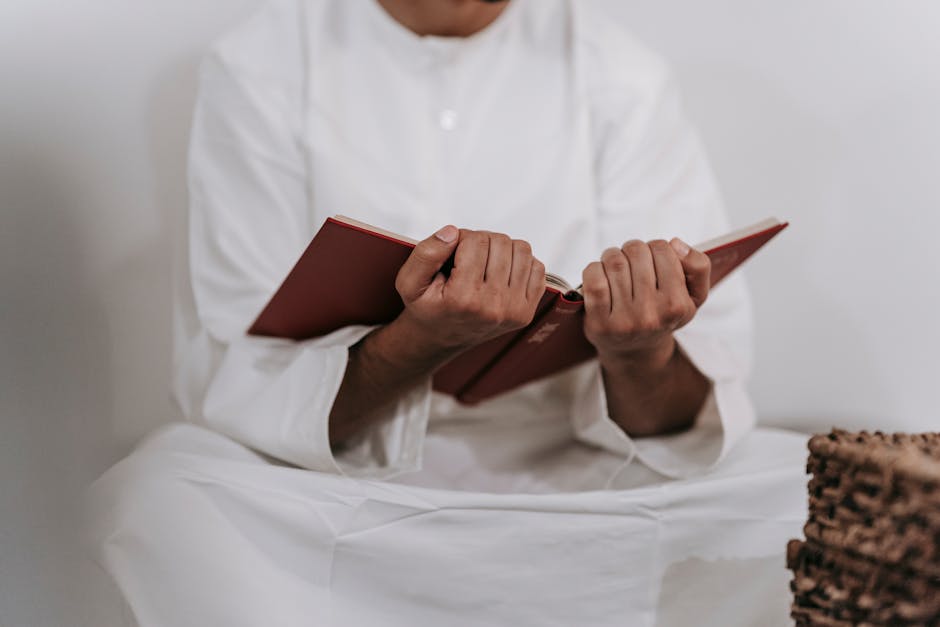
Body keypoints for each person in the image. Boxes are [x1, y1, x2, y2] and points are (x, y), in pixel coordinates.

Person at [88, 1, 809, 625]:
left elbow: (690, 409)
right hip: (332, 491)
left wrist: (638, 352)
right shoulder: (262, 64)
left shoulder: (621, 72)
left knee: (800, 491)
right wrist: (417, 342)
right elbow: (245, 374)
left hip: (575, 483)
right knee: (159, 499)